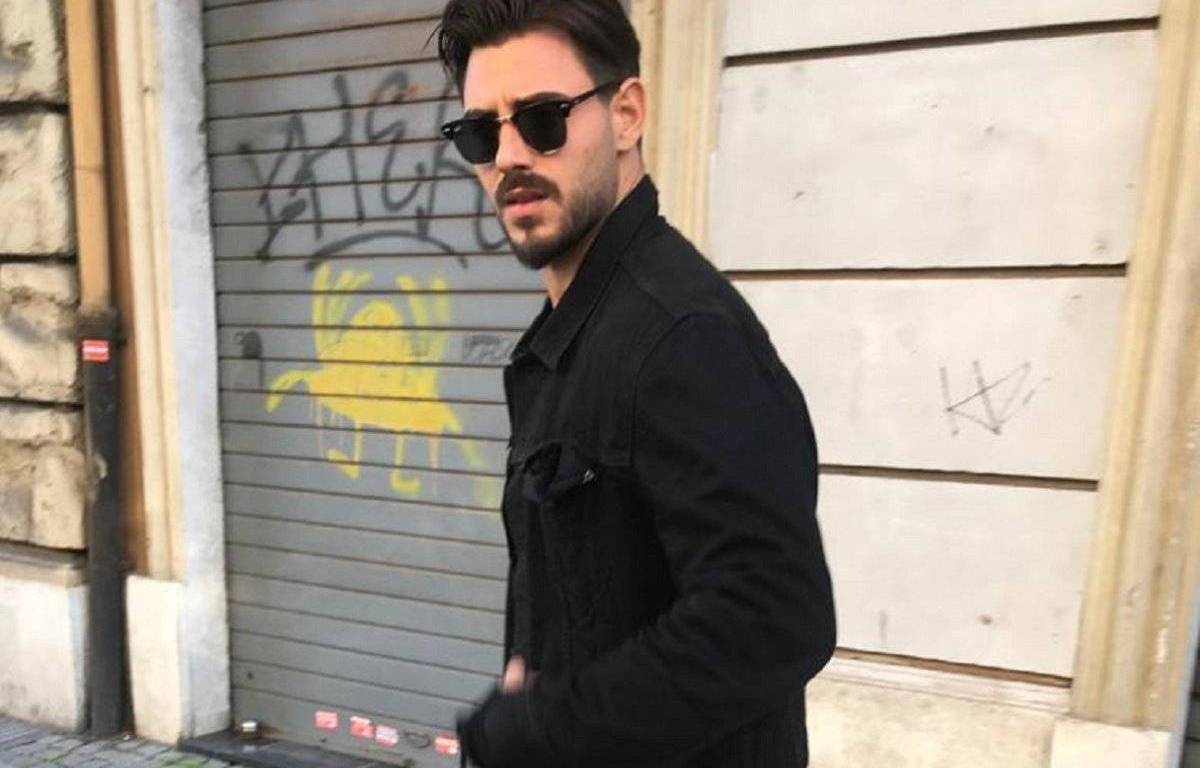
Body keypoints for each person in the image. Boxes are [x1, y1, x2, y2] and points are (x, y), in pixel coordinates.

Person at [435, 1, 836, 765]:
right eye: (482, 133)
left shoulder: (681, 337)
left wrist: (540, 729)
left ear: (626, 115)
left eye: (543, 119)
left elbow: (773, 618)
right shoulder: (577, 334)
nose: (509, 156)